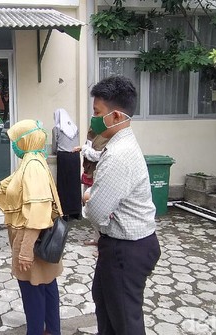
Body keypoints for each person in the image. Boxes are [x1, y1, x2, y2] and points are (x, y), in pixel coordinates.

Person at [0, 119, 63, 335]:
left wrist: (25, 253)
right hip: (41, 240)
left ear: (25, 140)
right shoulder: (32, 161)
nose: (13, 145)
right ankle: (52, 331)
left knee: (33, 293)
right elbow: (3, 187)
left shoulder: (32, 166)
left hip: (31, 241)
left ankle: (36, 332)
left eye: (16, 140)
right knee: (47, 285)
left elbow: (37, 210)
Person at [85, 76, 161, 335]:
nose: (93, 118)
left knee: (125, 321)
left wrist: (90, 200)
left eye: (97, 112)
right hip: (121, 244)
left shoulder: (119, 155)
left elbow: (96, 211)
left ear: (116, 116)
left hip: (126, 249)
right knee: (106, 306)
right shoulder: (118, 145)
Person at [51, 108, 81, 220]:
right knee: (75, 184)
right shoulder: (74, 127)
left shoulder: (57, 129)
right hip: (75, 157)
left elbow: (55, 145)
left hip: (63, 157)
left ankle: (65, 212)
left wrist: (55, 151)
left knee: (64, 185)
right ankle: (77, 211)